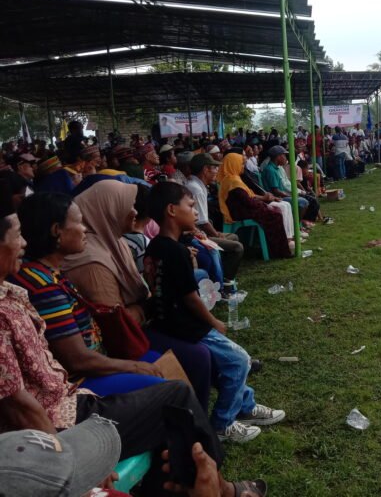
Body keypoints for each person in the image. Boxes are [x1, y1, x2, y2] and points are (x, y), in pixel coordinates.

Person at [0, 207, 266, 496]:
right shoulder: (34, 289)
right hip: (63, 415)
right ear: (56, 231)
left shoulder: (21, 288)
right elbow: (20, 405)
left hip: (69, 396)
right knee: (175, 395)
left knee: (185, 377)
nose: (23, 243)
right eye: (16, 236)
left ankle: (199, 479)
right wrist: (69, 462)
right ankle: (220, 487)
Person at [144, 181, 285, 443]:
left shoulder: (155, 247)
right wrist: (213, 321)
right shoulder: (175, 251)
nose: (196, 211)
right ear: (172, 210)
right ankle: (222, 424)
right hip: (185, 326)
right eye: (190, 206)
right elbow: (189, 296)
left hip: (169, 322)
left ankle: (246, 406)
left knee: (229, 362)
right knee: (239, 360)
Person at [62, 181, 213, 411]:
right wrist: (148, 305)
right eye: (127, 206)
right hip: (120, 343)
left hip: (143, 324)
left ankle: (222, 406)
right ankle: (193, 427)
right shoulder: (91, 261)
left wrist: (149, 302)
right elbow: (118, 322)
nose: (135, 211)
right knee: (198, 355)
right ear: (108, 209)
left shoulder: (115, 242)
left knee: (203, 344)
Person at [11, 192, 165, 397]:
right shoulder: (44, 287)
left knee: (158, 361)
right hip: (77, 381)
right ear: (57, 231)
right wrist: (133, 367)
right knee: (163, 385)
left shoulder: (47, 272)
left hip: (93, 366)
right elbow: (77, 360)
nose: (85, 230)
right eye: (80, 223)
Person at [217, 153, 294, 258]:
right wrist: (264, 204)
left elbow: (248, 197)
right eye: (241, 164)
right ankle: (279, 252)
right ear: (233, 164)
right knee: (275, 216)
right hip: (240, 212)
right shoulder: (233, 181)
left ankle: (280, 248)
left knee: (274, 211)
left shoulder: (232, 178)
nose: (243, 167)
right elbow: (248, 201)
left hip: (242, 209)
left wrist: (263, 203)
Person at [186, 154, 244, 282]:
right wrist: (217, 235)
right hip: (195, 236)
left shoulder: (197, 185)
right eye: (214, 168)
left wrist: (217, 234)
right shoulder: (196, 189)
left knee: (233, 237)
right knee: (237, 248)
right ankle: (225, 282)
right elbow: (202, 222)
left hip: (199, 232)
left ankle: (222, 272)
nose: (217, 171)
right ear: (205, 170)